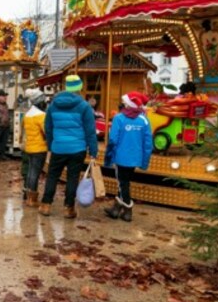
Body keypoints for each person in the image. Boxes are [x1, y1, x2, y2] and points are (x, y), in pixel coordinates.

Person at [39, 75, 98, 219]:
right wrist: (93, 150)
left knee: (52, 176)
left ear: (66, 87)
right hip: (77, 148)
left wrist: (51, 145)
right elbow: (90, 130)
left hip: (58, 147)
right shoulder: (84, 106)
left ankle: (46, 205)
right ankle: (68, 208)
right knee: (72, 178)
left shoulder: (53, 105)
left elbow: (48, 127)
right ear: (79, 88)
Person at [104, 91, 153, 222]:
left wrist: (108, 157)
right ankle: (115, 209)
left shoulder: (119, 118)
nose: (123, 103)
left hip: (121, 157)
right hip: (136, 157)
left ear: (129, 103)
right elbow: (148, 142)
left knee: (122, 183)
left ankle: (128, 208)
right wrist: (145, 161)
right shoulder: (144, 120)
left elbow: (113, 139)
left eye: (125, 101)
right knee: (124, 182)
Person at [23, 88, 48, 207]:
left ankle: (28, 197)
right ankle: (32, 199)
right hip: (39, 147)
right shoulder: (41, 115)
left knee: (30, 172)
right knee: (35, 173)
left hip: (30, 147)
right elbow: (46, 131)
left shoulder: (27, 115)